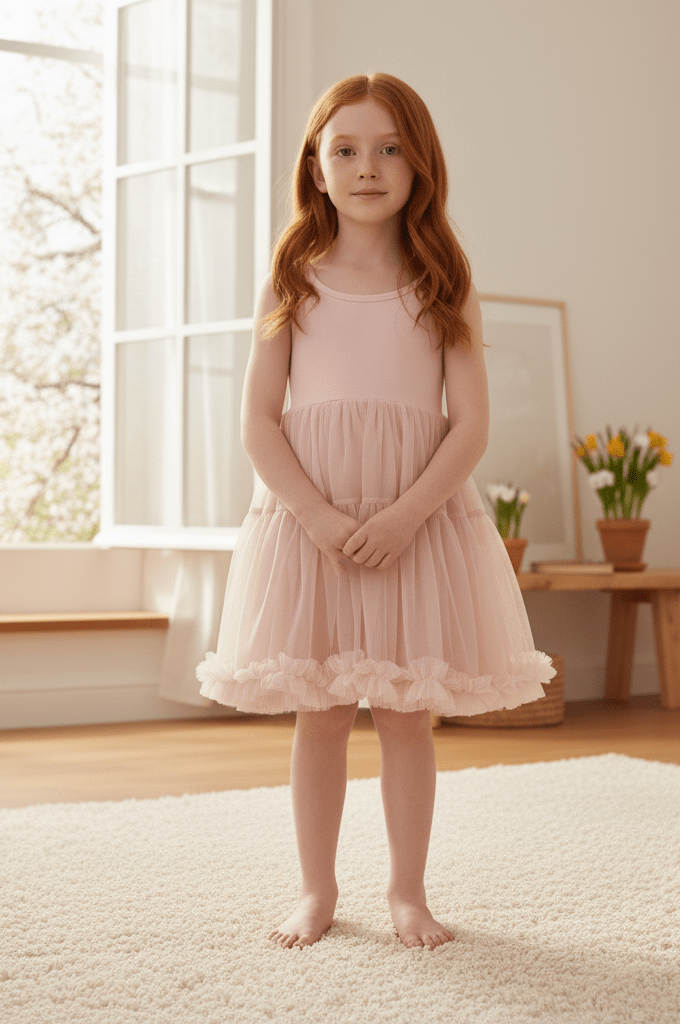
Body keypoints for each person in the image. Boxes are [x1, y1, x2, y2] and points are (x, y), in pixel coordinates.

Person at [197, 73, 555, 950]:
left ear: (420, 162)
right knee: (319, 709)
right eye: (346, 150)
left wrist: (404, 517)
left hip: (416, 521)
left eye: (390, 147)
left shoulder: (444, 280)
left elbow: (469, 428)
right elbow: (258, 420)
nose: (368, 167)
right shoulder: (294, 273)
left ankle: (407, 892)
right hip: (312, 523)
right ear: (316, 168)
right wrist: (317, 516)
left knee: (403, 713)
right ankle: (316, 891)